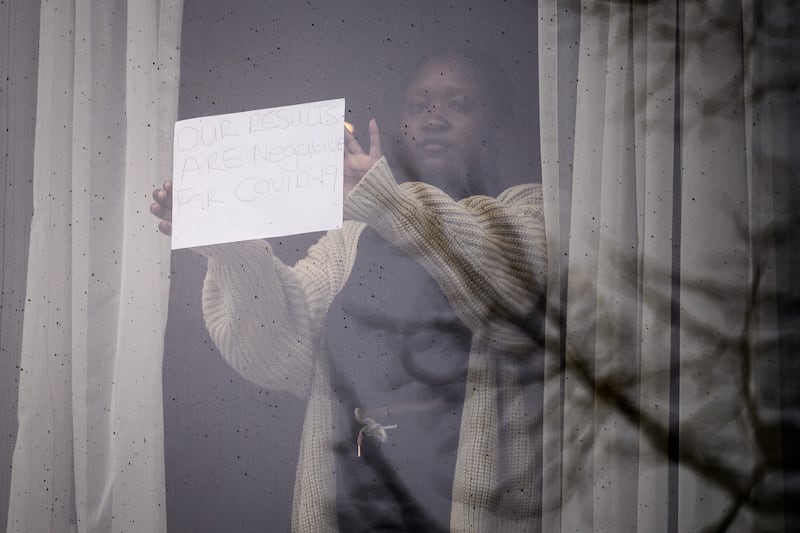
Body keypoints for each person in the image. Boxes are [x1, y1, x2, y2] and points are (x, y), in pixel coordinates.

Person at [151, 49, 547, 532]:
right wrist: (229, 246)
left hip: (460, 501)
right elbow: (279, 348)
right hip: (359, 495)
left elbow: (509, 284)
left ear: (500, 127)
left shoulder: (537, 211)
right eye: (419, 105)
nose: (434, 118)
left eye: (460, 104)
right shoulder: (352, 241)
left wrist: (386, 201)